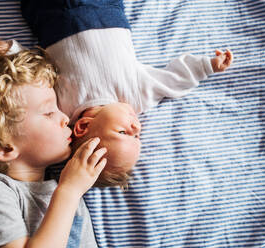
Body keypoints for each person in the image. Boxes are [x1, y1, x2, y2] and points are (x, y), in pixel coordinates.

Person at [20, 0, 233, 188]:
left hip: (52, 15)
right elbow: (173, 79)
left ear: (83, 126)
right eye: (137, 135)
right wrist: (207, 66)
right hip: (104, 11)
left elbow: (30, 77)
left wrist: (10, 50)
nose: (136, 126)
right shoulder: (135, 96)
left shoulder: (60, 108)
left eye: (124, 133)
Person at [0, 38, 106, 248]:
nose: (65, 118)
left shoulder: (63, 183)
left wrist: (13, 50)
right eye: (49, 112)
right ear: (4, 147)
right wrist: (69, 191)